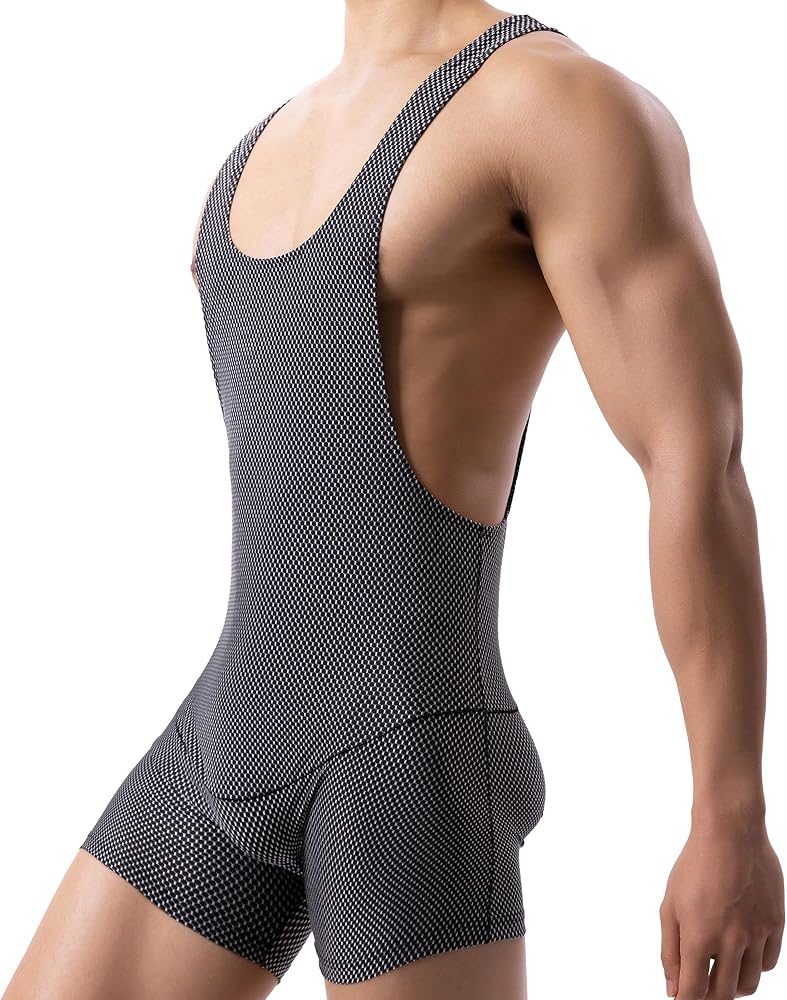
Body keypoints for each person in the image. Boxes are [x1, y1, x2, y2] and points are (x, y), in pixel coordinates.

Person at [4, 3, 784, 999]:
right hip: (222, 738)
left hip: (405, 763)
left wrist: (727, 814)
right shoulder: (255, 150)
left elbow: (695, 458)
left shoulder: (553, 107)